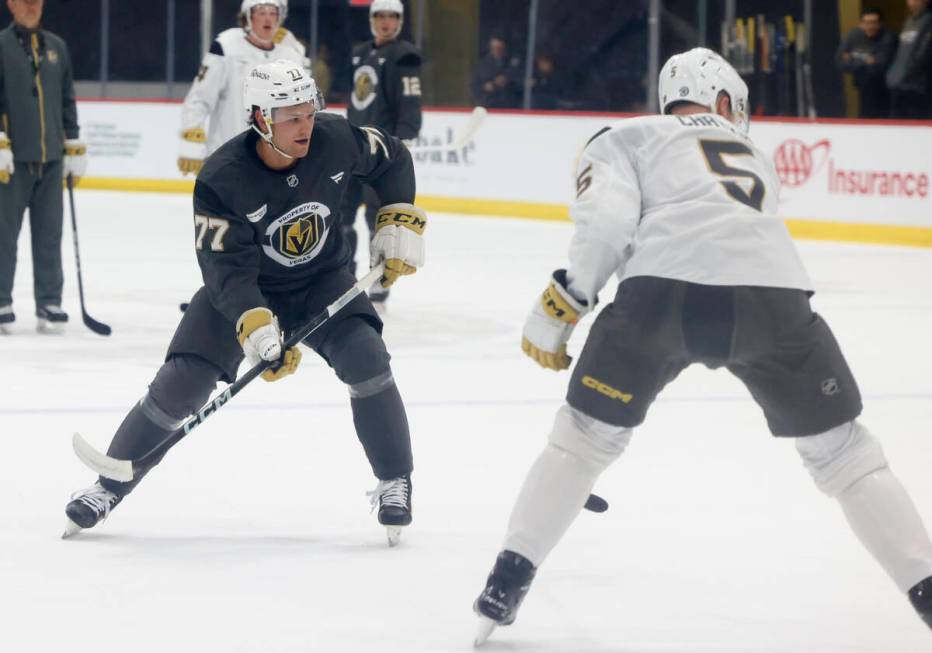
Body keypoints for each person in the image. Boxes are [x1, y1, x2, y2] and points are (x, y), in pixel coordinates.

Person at [472, 47, 932, 644]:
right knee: (845, 454)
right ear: (722, 101)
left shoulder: (628, 134)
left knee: (583, 440)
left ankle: (505, 583)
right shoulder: (752, 154)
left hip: (661, 293)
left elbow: (608, 223)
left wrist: (569, 299)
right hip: (773, 295)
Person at [63, 60, 427, 547]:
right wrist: (255, 325)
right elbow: (226, 270)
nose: (305, 127)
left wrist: (397, 218)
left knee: (368, 358)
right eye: (291, 117)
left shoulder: (336, 139)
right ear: (260, 119)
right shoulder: (222, 177)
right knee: (183, 381)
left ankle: (395, 479)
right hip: (245, 288)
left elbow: (393, 157)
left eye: (309, 112)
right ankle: (109, 485)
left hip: (322, 279)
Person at [0, 0, 86, 335]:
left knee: (50, 233)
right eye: (24, 1)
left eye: (36, 0)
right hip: (12, 161)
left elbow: (67, 99)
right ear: (11, 5)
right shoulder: (2, 46)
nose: (32, 6)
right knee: (4, 235)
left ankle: (49, 301)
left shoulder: (57, 47)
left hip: (51, 159)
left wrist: (74, 144)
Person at [340, 0, 422, 307]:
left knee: (378, 220)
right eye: (380, 16)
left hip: (382, 156)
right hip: (354, 148)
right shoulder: (360, 52)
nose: (386, 22)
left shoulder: (405, 56)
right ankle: (345, 276)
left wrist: (404, 137)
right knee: (340, 217)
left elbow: (410, 104)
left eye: (392, 17)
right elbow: (356, 100)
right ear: (372, 19)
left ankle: (379, 278)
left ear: (399, 21)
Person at [177, 0, 309, 177]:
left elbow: (305, 101)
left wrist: (299, 53)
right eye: (261, 13)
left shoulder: (289, 53)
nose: (268, 19)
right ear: (248, 17)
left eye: (273, 13)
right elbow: (199, 98)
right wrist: (190, 142)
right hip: (227, 158)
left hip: (275, 160)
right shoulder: (227, 47)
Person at [836, 7, 897, 118]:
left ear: (880, 24)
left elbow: (880, 65)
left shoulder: (888, 37)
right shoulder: (853, 35)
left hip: (883, 89)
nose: (870, 27)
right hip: (862, 88)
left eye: (873, 23)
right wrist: (867, 61)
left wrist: (854, 58)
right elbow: (840, 62)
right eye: (866, 23)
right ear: (861, 24)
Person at [887, 0, 932, 119]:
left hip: (917, 85)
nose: (911, 2)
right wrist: (892, 75)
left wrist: (906, 74)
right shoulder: (909, 21)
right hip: (898, 83)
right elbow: (901, 51)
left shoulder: (928, 20)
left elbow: (923, 54)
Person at [472, 36, 523, 109]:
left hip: (510, 106)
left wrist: (508, 79)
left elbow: (521, 82)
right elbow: (474, 85)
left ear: (504, 48)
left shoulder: (512, 64)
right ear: (490, 48)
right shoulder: (482, 65)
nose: (497, 51)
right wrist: (485, 87)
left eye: (500, 48)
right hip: (489, 105)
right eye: (494, 48)